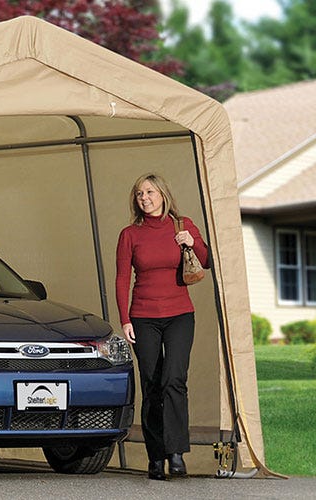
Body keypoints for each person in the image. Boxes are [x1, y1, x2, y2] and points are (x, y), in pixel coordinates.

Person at [115, 173, 210, 481]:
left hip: (180, 314)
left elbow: (207, 261)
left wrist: (192, 242)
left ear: (162, 195)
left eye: (150, 192)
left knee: (174, 380)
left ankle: (177, 453)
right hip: (143, 317)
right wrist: (125, 319)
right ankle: (156, 457)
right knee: (152, 384)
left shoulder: (183, 225)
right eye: (139, 193)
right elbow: (121, 279)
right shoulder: (130, 234)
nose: (144, 197)